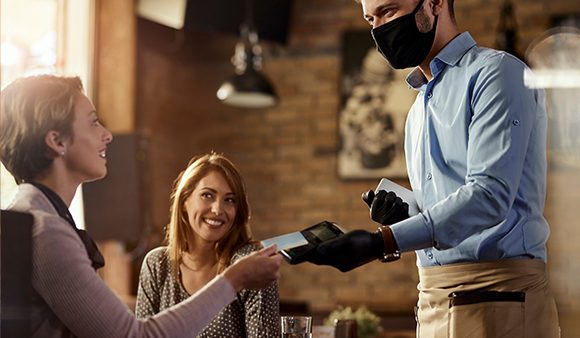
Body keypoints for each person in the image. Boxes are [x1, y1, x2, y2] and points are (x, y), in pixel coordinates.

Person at [302, 0, 560, 336]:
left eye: (389, 12)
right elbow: (449, 208)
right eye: (370, 19)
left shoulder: (497, 73)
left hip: (500, 298)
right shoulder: (417, 111)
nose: (379, 29)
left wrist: (382, 241)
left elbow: (489, 196)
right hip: (432, 299)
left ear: (435, 3)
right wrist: (406, 212)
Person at [0, 74, 282, 338]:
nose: (107, 135)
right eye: (93, 122)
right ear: (57, 141)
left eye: (230, 200)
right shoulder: (47, 232)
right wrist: (233, 280)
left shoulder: (31, 220)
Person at [135, 152, 280, 337]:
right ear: (184, 202)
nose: (218, 209)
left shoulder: (249, 262)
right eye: (207, 195)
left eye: (229, 200)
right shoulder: (157, 264)